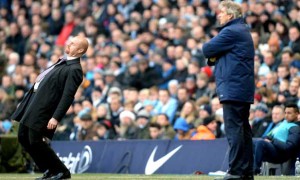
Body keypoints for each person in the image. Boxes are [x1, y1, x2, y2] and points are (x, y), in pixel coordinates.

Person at [11, 36, 89, 180]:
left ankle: (61, 171)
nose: (68, 44)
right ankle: (48, 169)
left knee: (34, 140)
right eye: (70, 42)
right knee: (23, 136)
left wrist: (55, 117)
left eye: (73, 43)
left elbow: (68, 96)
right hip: (34, 104)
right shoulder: (63, 62)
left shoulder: (74, 69)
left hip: (45, 109)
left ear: (80, 50)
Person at [202, 1, 255, 179]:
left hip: (233, 87)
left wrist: (215, 54)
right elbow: (213, 54)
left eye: (222, 12)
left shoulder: (231, 31)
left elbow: (207, 49)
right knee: (243, 131)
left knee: (235, 131)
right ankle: (246, 172)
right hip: (241, 87)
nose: (219, 15)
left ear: (230, 15)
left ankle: (236, 171)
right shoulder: (241, 30)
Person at [253, 103, 300, 175]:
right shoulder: (283, 123)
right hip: (271, 146)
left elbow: (288, 147)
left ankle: (254, 171)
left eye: (289, 113)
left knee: (260, 143)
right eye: (285, 113)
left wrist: (272, 140)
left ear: (297, 114)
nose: (286, 115)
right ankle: (242, 169)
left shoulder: (295, 128)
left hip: (280, 153)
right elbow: (268, 135)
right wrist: (267, 138)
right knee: (249, 141)